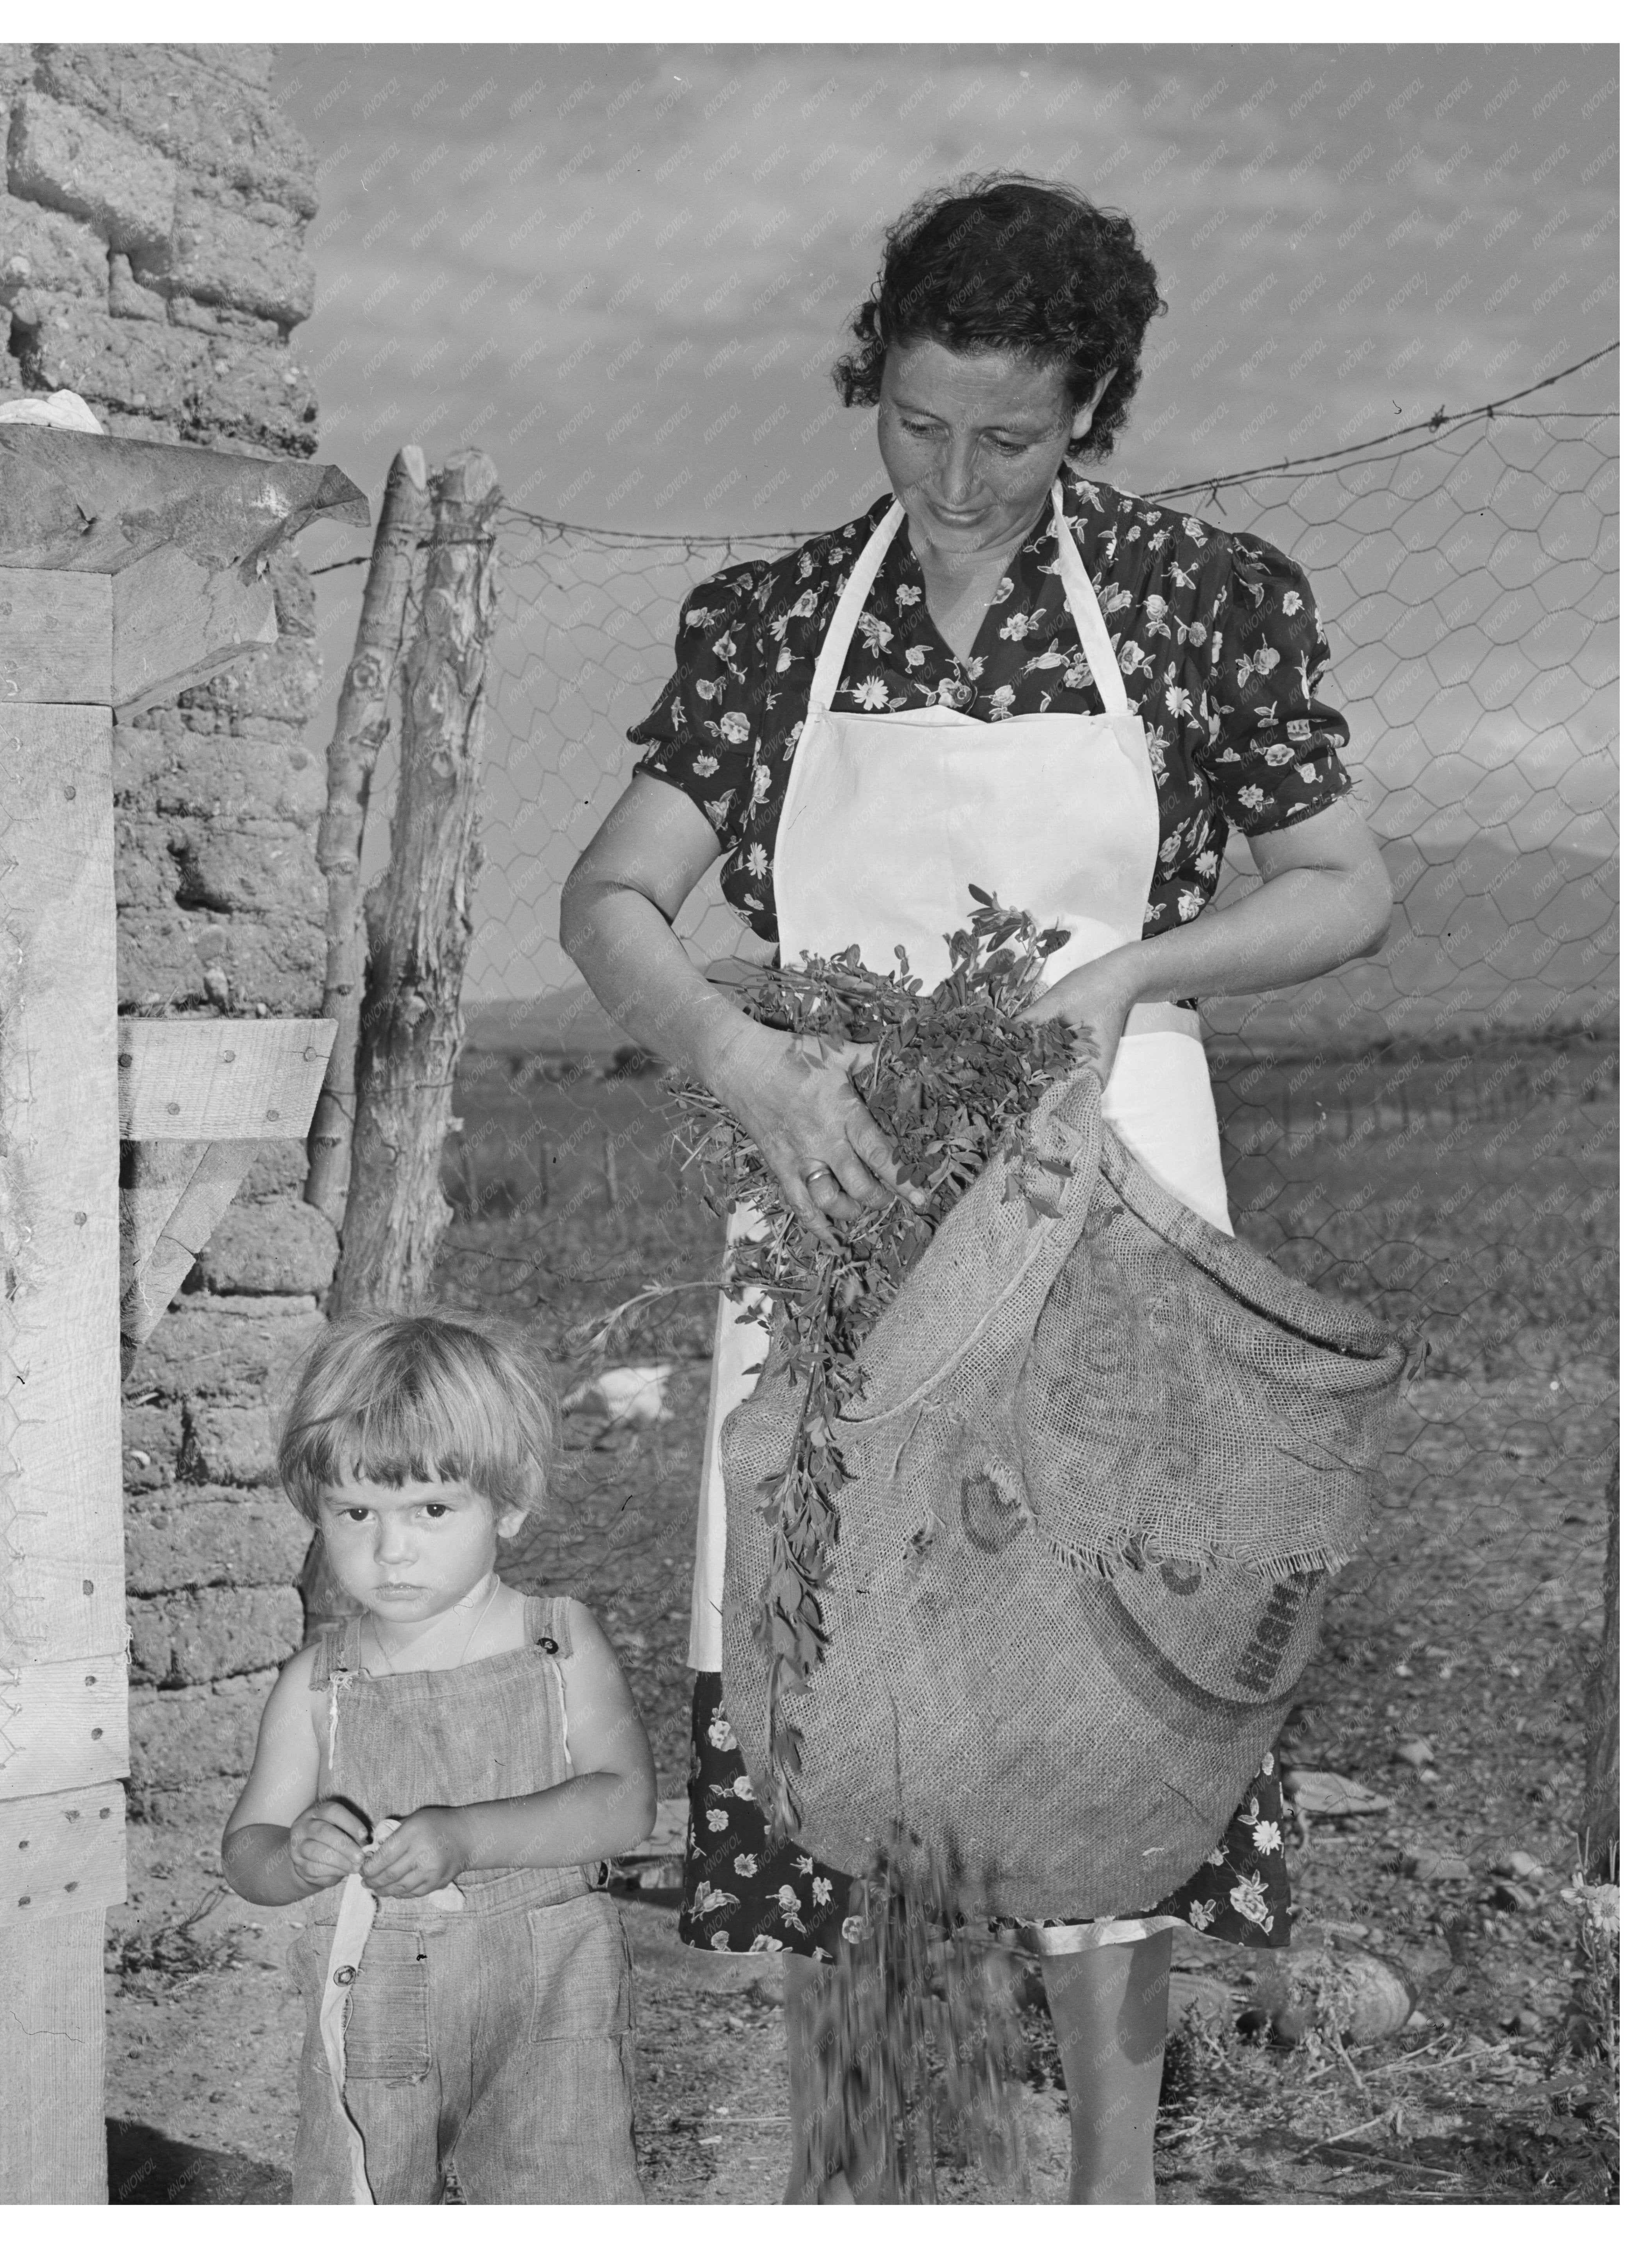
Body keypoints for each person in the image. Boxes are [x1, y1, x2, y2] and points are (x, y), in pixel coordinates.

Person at [559, 173, 1393, 2204]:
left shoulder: (1204, 597)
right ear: (875, 378)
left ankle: (1105, 2195)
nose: (951, 476)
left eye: (1005, 437)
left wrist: (1135, 970)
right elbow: (609, 897)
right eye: (914, 422)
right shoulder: (771, 622)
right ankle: (870, 2166)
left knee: (1103, 1693)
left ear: (1087, 408)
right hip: (837, 1181)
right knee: (834, 1680)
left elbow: (1345, 886)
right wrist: (736, 1050)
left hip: (1100, 1184)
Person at [223, 1310, 654, 2204]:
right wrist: (292, 1856)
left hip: (550, 2001)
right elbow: (248, 1851)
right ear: (316, 1510)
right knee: (362, 2193)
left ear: (510, 1501)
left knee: (565, 2194)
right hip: (380, 1990)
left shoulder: (558, 1641)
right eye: (355, 1512)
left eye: (431, 1507)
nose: (391, 1549)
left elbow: (623, 1805)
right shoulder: (318, 1681)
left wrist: (466, 1835)